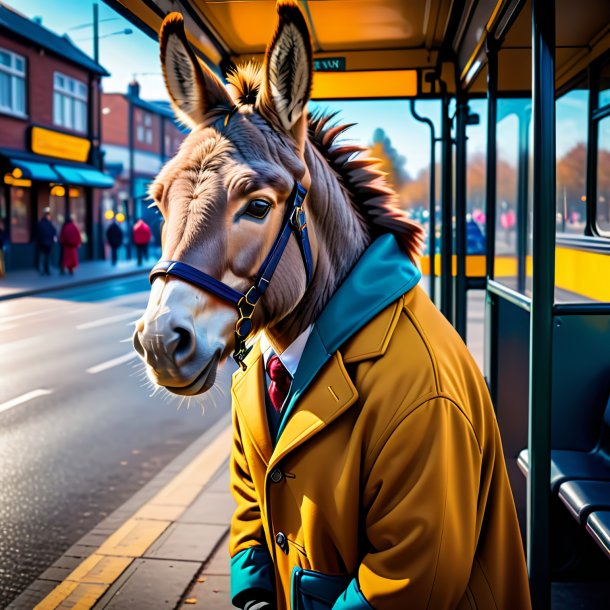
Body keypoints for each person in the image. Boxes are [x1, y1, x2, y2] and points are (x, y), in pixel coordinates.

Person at [36, 207, 57, 276]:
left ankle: (43, 270)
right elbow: (54, 232)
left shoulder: (41, 223)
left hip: (43, 243)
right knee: (46, 256)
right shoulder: (49, 224)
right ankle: (45, 270)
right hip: (47, 243)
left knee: (43, 256)